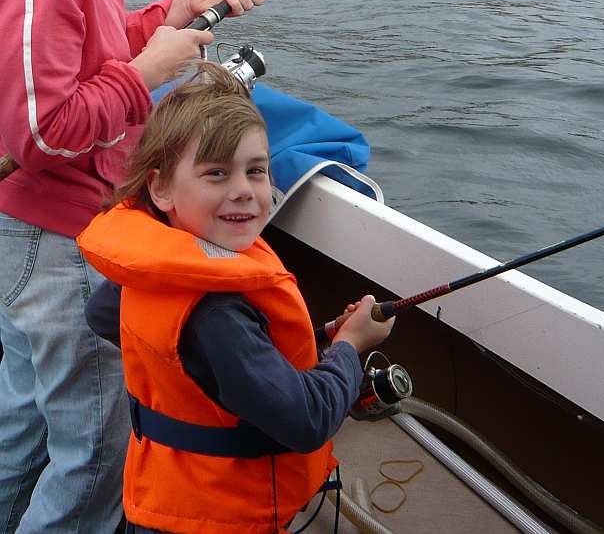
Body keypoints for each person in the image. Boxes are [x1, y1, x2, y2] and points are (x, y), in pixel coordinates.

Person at [0, 0, 269, 534]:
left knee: (23, 425)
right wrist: (150, 70)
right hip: (53, 238)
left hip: (40, 230)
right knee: (92, 453)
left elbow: (81, 48)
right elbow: (46, 129)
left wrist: (170, 12)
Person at [78, 64, 393, 534]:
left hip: (162, 496)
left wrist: (199, 371)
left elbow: (103, 315)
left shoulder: (151, 266)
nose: (243, 190)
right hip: (220, 515)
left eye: (257, 171)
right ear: (160, 187)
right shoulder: (218, 313)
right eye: (216, 173)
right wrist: (349, 345)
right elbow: (307, 420)